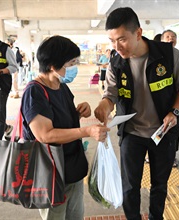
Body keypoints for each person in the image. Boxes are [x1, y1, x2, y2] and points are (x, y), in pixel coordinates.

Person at [94, 7, 179, 220]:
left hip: (162, 132)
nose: (117, 47)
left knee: (160, 184)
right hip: (132, 133)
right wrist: (104, 105)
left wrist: (174, 112)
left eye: (122, 39)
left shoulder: (168, 55)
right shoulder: (116, 62)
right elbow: (110, 94)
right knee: (129, 186)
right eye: (112, 41)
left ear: (138, 33)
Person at [20, 35, 110, 220]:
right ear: (53, 65)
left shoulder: (60, 86)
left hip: (71, 167)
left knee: (75, 215)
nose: (74, 67)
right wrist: (86, 131)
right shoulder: (34, 92)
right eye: (71, 63)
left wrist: (77, 113)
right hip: (51, 173)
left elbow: (58, 120)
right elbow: (45, 134)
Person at [161, 29, 179, 167]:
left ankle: (172, 156)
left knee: (174, 131)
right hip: (162, 103)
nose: (170, 39)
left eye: (173, 37)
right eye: (167, 37)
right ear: (161, 40)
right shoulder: (156, 57)